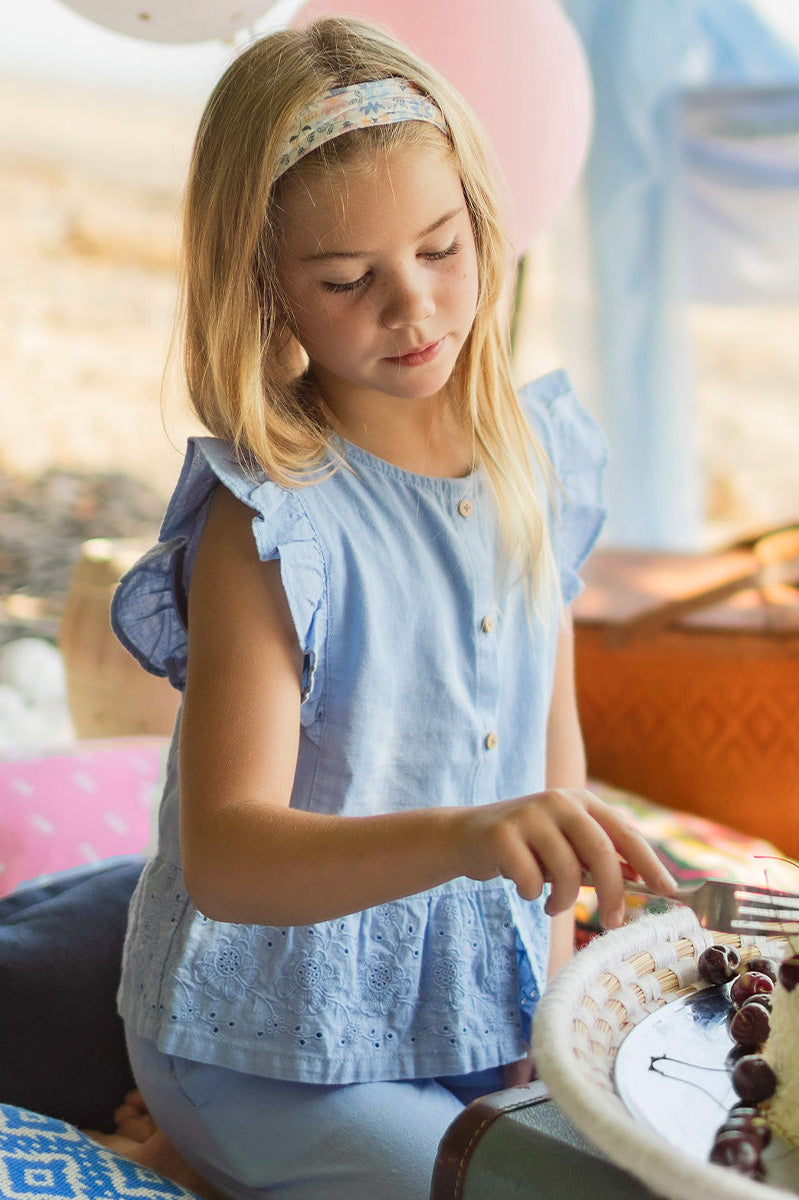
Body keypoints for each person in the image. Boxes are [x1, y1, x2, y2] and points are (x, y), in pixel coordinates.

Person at [106, 16, 677, 1200]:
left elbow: (549, 755)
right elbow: (224, 856)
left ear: (484, 218)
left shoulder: (539, 457)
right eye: (347, 280)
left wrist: (559, 995)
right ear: (267, 289)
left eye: (440, 249)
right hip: (264, 1043)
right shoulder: (272, 525)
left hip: (476, 1020)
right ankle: (197, 1145)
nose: (412, 308)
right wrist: (467, 837)